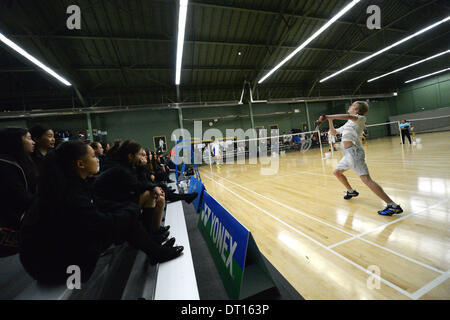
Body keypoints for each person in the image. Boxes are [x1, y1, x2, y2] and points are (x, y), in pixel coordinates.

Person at [19, 141, 183, 284]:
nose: (98, 159)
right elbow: (103, 223)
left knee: (123, 217)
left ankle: (154, 250)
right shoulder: (69, 195)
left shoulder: (72, 185)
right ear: (80, 164)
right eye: (93, 156)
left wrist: (127, 210)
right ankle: (155, 250)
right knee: (123, 221)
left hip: (57, 255)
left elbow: (101, 206)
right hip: (57, 268)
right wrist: (132, 210)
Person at [318, 101, 403, 216]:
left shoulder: (360, 118)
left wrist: (329, 116)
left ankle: (392, 205)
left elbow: (348, 116)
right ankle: (351, 191)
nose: (350, 107)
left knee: (366, 180)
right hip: (348, 154)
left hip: (354, 153)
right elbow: (334, 132)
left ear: (357, 110)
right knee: (337, 172)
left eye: (352, 106)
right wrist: (330, 120)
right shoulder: (349, 123)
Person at [0, 128, 37, 257]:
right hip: (11, 223)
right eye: (28, 138)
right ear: (15, 142)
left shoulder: (18, 162)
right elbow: (19, 196)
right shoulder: (5, 165)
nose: (33, 142)